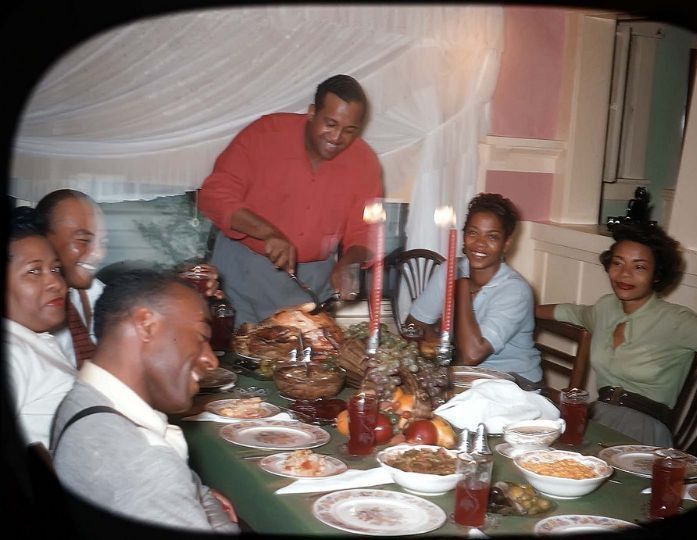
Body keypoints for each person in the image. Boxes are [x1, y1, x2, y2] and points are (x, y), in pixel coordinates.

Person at [536, 223, 697, 449]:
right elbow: (571, 312)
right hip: (598, 417)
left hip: (643, 430)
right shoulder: (606, 308)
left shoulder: (677, 321)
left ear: (656, 275)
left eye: (639, 267)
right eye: (617, 263)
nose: (624, 274)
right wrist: (518, 309)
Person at [50, 269, 239, 533]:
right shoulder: (145, 465)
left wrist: (196, 495)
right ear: (147, 325)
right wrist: (206, 507)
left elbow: (191, 485)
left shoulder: (80, 399)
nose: (211, 360)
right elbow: (163, 478)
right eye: (200, 337)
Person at [198, 74, 382, 325]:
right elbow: (215, 195)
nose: (337, 137)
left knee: (301, 360)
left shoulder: (365, 163)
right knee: (234, 358)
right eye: (330, 124)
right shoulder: (265, 134)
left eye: (349, 130)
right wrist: (267, 232)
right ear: (311, 112)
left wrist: (349, 263)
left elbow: (365, 231)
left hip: (310, 283)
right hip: (240, 273)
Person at [35, 189, 221, 368]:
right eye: (83, 241)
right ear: (42, 238)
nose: (99, 253)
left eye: (103, 242)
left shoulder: (92, 292)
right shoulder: (27, 310)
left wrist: (185, 293)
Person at [406, 193, 542, 382]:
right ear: (463, 236)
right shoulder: (449, 269)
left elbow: (471, 355)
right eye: (473, 232)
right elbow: (413, 325)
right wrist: (432, 338)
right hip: (461, 380)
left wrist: (461, 283)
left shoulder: (514, 291)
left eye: (492, 236)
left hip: (512, 384)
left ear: (506, 244)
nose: (480, 243)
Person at [4, 207, 76, 447]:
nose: (56, 283)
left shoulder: (33, 340)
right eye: (34, 271)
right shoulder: (12, 353)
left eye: (55, 269)